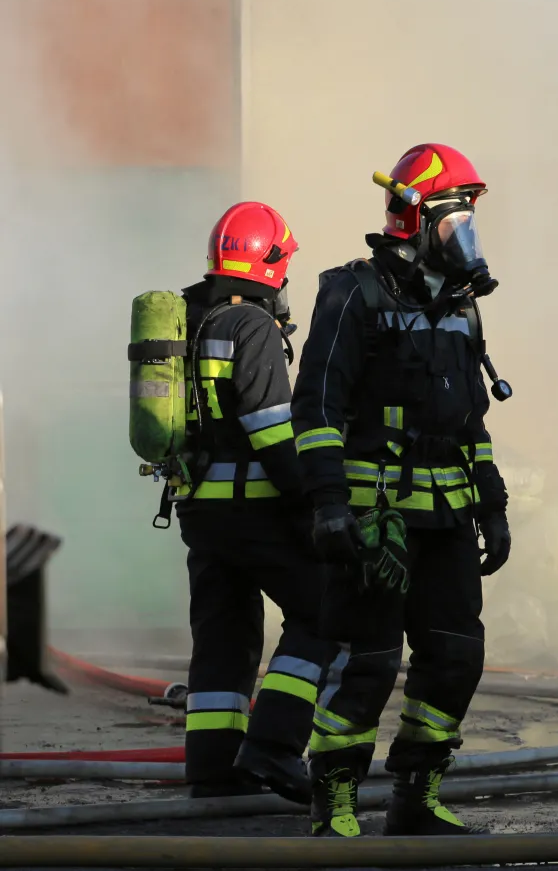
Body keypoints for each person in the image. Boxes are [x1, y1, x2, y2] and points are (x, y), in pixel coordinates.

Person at [291, 143, 512, 837]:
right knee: (368, 665)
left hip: (447, 524)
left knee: (455, 659)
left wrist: (494, 503)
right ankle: (335, 801)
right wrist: (329, 503)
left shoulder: (459, 309)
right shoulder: (352, 292)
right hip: (371, 521)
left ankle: (416, 795)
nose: (469, 232)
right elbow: (316, 407)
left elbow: (470, 420)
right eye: (459, 217)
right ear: (420, 217)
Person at [176, 201, 329, 802]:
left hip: (200, 513)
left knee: (223, 635)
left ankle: (214, 770)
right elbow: (272, 431)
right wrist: (312, 499)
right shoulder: (252, 327)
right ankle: (274, 747)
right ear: (271, 262)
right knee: (322, 612)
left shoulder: (189, 320)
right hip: (256, 507)